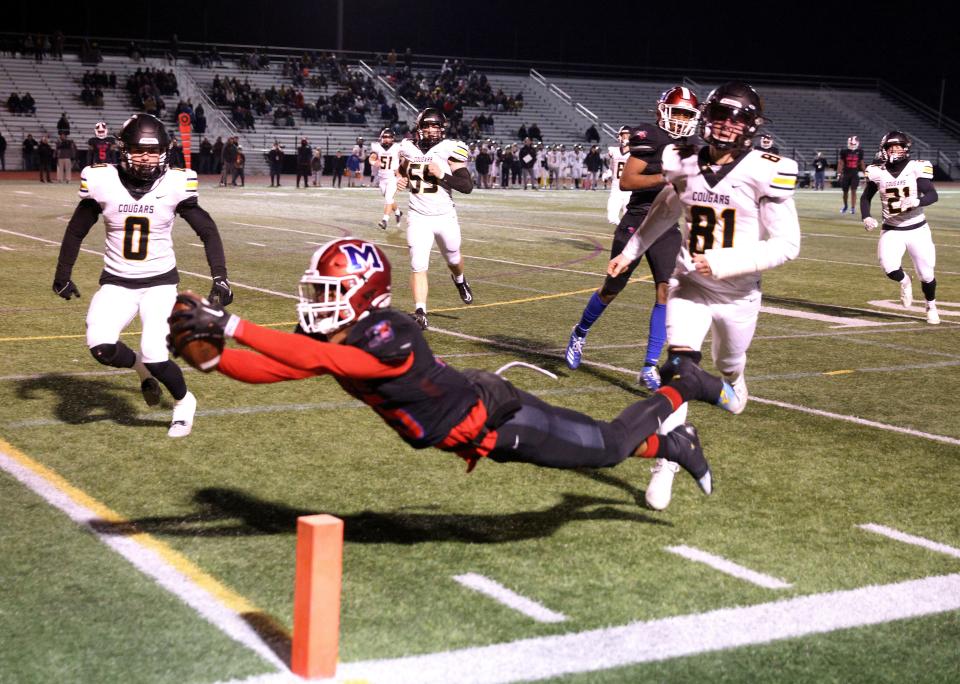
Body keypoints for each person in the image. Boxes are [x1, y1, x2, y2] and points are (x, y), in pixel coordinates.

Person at [168, 238, 724, 496]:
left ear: (364, 294)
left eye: (328, 290)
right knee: (591, 450)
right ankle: (671, 446)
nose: (315, 301)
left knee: (603, 446)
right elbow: (282, 368)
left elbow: (324, 358)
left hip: (499, 420)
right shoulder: (336, 334)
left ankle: (682, 388)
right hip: (475, 425)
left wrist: (233, 326)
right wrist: (216, 361)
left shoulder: (391, 333)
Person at [608, 82, 801, 510]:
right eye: (721, 114)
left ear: (751, 126)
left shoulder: (765, 170)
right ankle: (667, 464)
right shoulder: (682, 158)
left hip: (737, 293)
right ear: (707, 115)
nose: (727, 125)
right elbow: (665, 210)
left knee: (728, 365)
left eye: (738, 118)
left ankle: (732, 379)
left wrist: (728, 263)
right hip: (689, 283)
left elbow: (787, 246)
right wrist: (629, 252)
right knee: (678, 368)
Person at [52, 113, 233, 438]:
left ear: (165, 151)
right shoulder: (102, 179)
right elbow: (76, 229)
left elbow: (207, 230)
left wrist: (220, 276)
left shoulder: (175, 183)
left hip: (160, 285)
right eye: (139, 150)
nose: (147, 157)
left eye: (153, 150)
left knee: (156, 352)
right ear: (124, 149)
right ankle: (139, 368)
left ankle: (183, 401)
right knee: (101, 347)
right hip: (117, 282)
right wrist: (62, 272)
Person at [567, 87, 701, 393]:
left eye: (685, 114)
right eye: (676, 111)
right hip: (638, 218)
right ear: (662, 110)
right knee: (612, 288)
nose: (680, 119)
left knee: (666, 291)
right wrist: (666, 178)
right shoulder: (650, 136)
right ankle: (580, 332)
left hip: (668, 226)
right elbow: (628, 181)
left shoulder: (692, 146)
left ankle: (650, 366)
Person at [396, 107, 475, 329]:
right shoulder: (407, 147)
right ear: (419, 128)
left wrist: (443, 174)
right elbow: (403, 170)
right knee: (417, 264)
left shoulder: (450, 149)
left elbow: (466, 186)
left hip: (444, 217)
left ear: (442, 128)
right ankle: (420, 311)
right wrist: (401, 179)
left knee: (453, 258)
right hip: (418, 216)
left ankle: (459, 280)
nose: (432, 130)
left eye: (436, 125)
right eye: (427, 125)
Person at [860, 131, 941, 325]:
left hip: (917, 228)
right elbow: (865, 197)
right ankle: (905, 281)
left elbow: (932, 195)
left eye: (899, 146)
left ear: (906, 149)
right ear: (884, 149)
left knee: (927, 274)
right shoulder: (876, 171)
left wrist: (917, 200)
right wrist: (866, 216)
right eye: (891, 147)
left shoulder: (917, 168)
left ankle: (931, 305)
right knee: (889, 267)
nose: (895, 150)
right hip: (892, 229)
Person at [369, 128, 403, 229]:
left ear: (393, 138)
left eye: (389, 137)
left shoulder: (397, 147)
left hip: (392, 178)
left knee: (388, 199)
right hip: (382, 178)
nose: (386, 139)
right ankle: (398, 212)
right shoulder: (377, 147)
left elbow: (405, 160)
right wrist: (374, 163)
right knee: (390, 199)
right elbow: (371, 158)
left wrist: (400, 170)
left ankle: (385, 220)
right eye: (384, 137)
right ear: (381, 138)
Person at [606, 126, 632, 223]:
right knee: (612, 217)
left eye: (627, 135)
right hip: (616, 186)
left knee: (629, 217)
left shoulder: (635, 152)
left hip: (630, 188)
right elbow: (611, 167)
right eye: (623, 135)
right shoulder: (614, 151)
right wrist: (608, 173)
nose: (624, 138)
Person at [838, 135, 864, 214]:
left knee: (854, 191)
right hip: (846, 173)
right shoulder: (844, 151)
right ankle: (845, 206)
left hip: (854, 174)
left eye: (853, 144)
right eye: (851, 144)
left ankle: (852, 208)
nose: (852, 145)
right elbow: (841, 163)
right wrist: (839, 173)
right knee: (845, 192)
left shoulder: (860, 151)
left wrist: (865, 173)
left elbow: (861, 163)